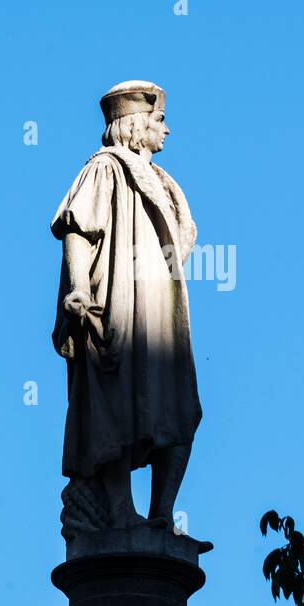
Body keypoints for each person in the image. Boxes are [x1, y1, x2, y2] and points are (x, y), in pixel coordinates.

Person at [51, 82, 202, 532]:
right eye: (159, 121)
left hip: (162, 312)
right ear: (136, 125)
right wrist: (78, 288)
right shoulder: (105, 169)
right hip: (119, 299)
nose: (167, 131)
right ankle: (119, 510)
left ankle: (161, 515)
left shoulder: (165, 182)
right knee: (114, 401)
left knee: (181, 408)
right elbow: (78, 227)